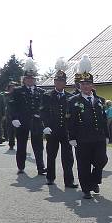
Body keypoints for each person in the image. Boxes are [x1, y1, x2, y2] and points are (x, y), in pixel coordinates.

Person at [67, 55, 109, 199]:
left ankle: (94, 180)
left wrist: (107, 135)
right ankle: (86, 189)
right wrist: (71, 137)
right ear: (79, 85)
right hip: (82, 139)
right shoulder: (73, 101)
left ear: (92, 85)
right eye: (83, 84)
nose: (86, 86)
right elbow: (70, 120)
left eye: (88, 83)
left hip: (98, 137)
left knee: (102, 160)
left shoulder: (99, 101)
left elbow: (104, 119)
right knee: (83, 164)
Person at [42, 58, 77, 188]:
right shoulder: (47, 95)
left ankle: (69, 181)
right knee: (51, 154)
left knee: (68, 157)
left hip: (66, 131)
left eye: (62, 81)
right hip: (52, 130)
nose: (60, 83)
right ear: (54, 82)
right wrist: (45, 126)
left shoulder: (70, 97)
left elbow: (73, 116)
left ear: (65, 83)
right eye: (58, 81)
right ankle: (50, 177)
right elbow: (43, 112)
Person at [10, 59, 46, 175]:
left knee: (38, 146)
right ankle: (21, 166)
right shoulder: (17, 91)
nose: (30, 80)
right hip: (22, 121)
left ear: (35, 80)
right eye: (28, 78)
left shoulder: (41, 91)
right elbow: (12, 105)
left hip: (36, 121)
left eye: (32, 79)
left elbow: (43, 107)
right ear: (24, 80)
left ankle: (41, 167)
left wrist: (42, 117)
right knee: (21, 144)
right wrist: (14, 118)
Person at [3, 81, 18, 150]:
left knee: (18, 130)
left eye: (14, 87)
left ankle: (20, 143)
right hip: (9, 114)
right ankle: (11, 144)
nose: (13, 88)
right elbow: (6, 103)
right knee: (10, 130)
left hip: (19, 115)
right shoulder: (6, 95)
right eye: (11, 87)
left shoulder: (19, 94)